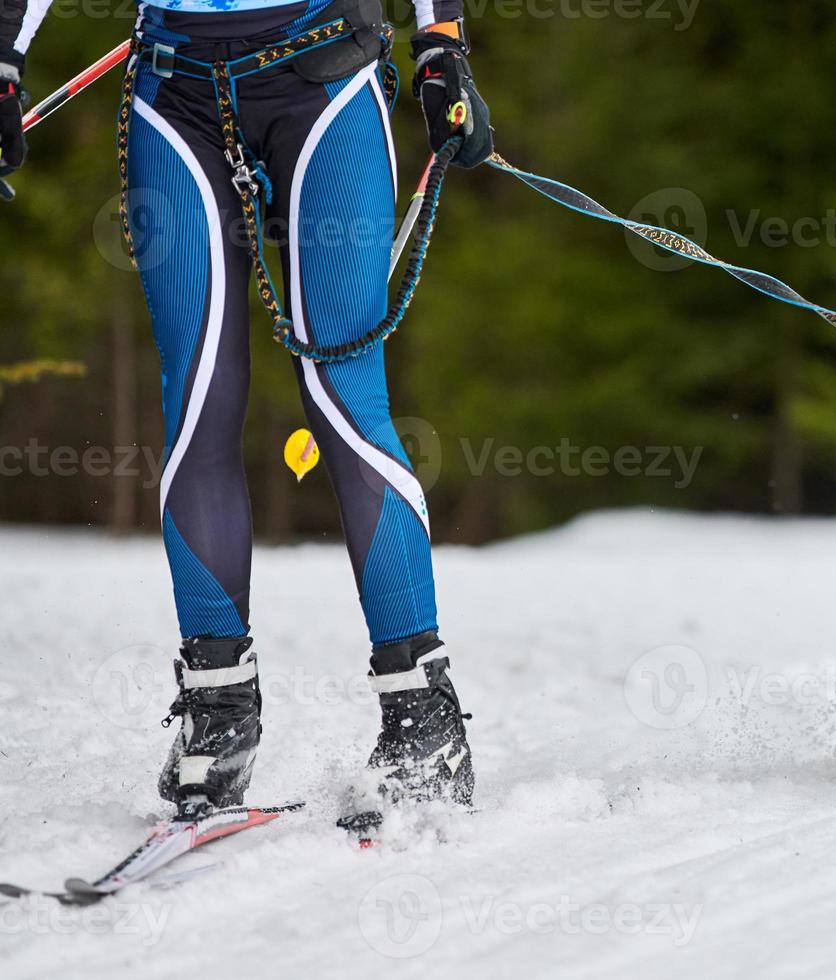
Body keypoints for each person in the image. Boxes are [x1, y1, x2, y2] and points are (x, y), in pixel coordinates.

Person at [0, 0, 491, 821]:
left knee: (342, 395)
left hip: (324, 76)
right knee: (197, 402)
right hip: (177, 91)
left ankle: (422, 718)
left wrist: (440, 45)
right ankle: (218, 714)